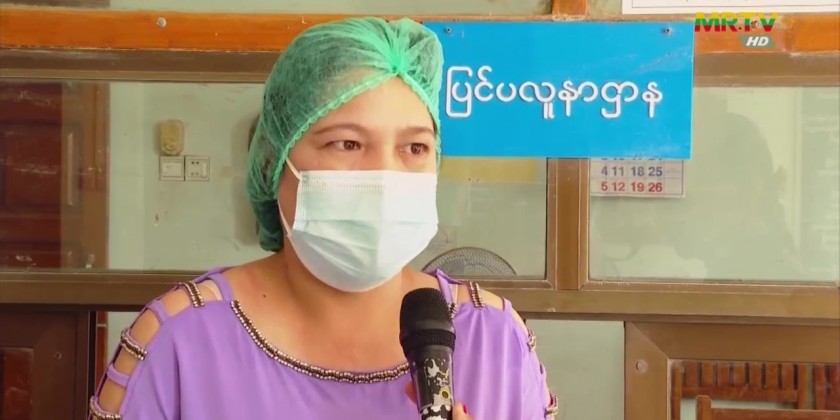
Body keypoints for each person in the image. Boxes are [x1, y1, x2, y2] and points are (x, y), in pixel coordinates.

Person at [90, 17, 555, 420]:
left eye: (414, 147)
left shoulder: (495, 342)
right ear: (275, 163)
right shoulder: (182, 343)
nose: (384, 175)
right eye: (346, 143)